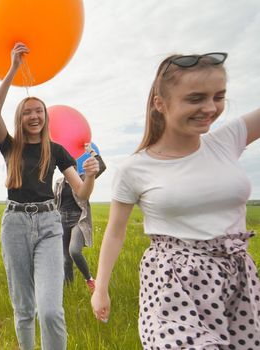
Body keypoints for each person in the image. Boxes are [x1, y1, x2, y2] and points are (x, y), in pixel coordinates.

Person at [91, 52, 260, 349]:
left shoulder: (227, 139)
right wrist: (101, 288)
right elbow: (115, 231)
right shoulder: (134, 169)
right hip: (175, 284)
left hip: (238, 281)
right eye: (195, 99)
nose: (210, 108)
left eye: (218, 97)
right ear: (160, 103)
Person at [0, 42, 99, 350]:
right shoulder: (10, 146)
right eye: (28, 112)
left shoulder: (58, 150)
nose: (34, 116)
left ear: (45, 117)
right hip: (14, 225)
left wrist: (90, 174)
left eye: (39, 111)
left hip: (49, 226)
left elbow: (81, 191)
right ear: (20, 118)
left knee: (50, 311)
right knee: (24, 310)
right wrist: (13, 68)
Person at [53, 163, 103, 294]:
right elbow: (54, 202)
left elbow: (101, 166)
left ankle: (90, 280)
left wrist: (90, 152)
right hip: (62, 220)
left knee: (74, 251)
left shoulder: (83, 180)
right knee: (66, 259)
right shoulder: (59, 182)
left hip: (79, 220)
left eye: (73, 166)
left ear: (77, 167)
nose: (70, 169)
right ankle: (69, 290)